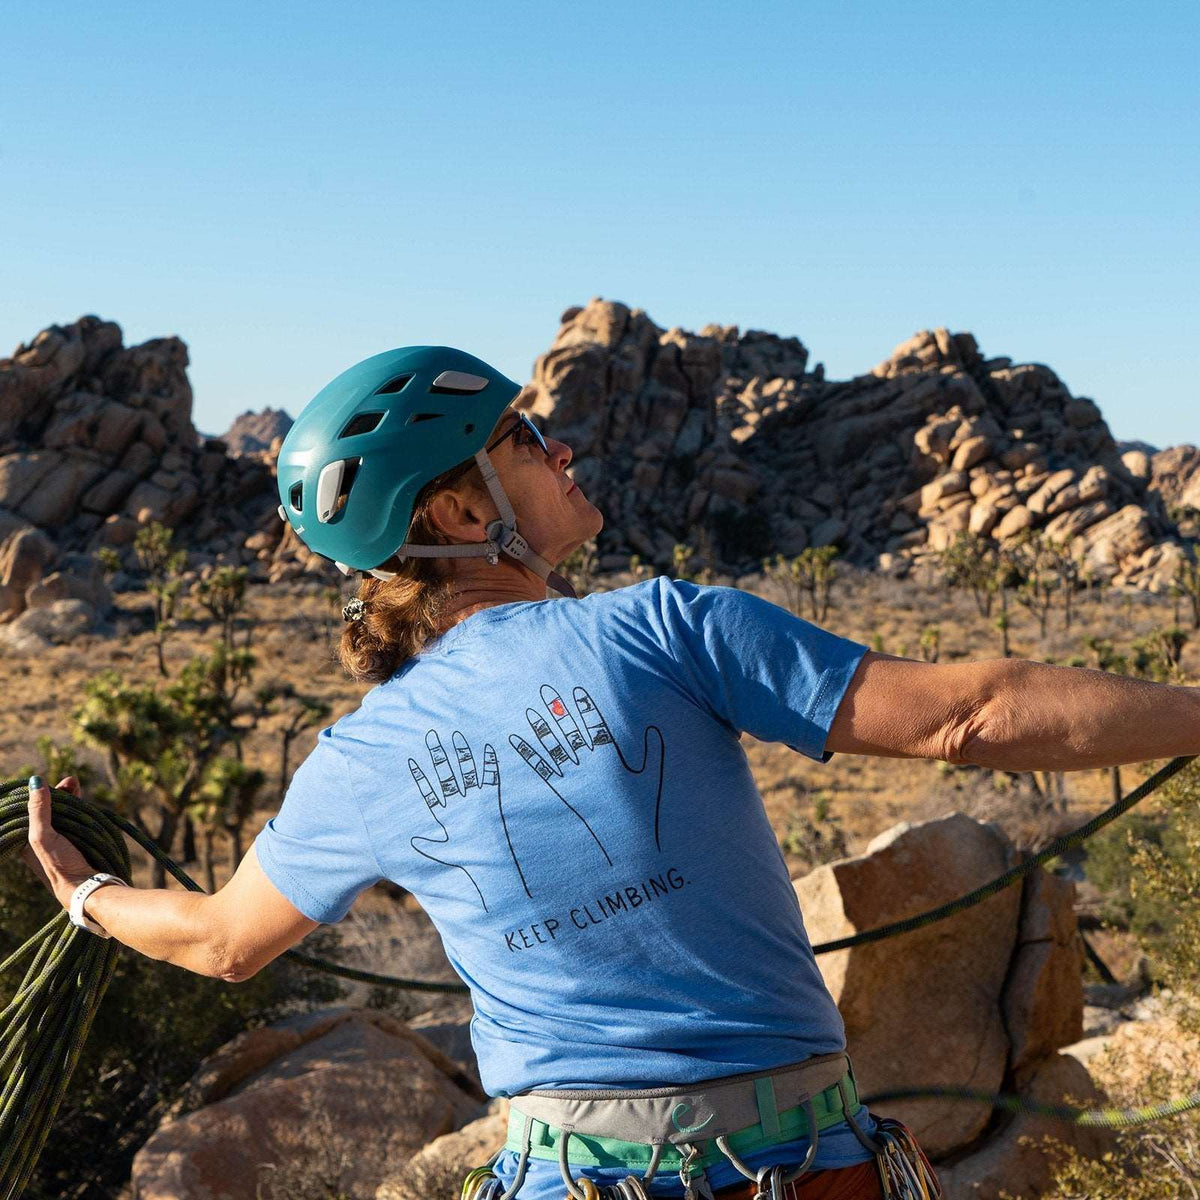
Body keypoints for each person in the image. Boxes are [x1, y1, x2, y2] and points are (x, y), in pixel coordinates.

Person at [22, 346, 1200, 1200]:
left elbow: (223, 941)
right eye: (525, 440)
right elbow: (972, 716)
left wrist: (80, 892)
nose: (562, 446)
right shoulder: (657, 629)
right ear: (453, 505)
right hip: (798, 1171)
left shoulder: (357, 762)